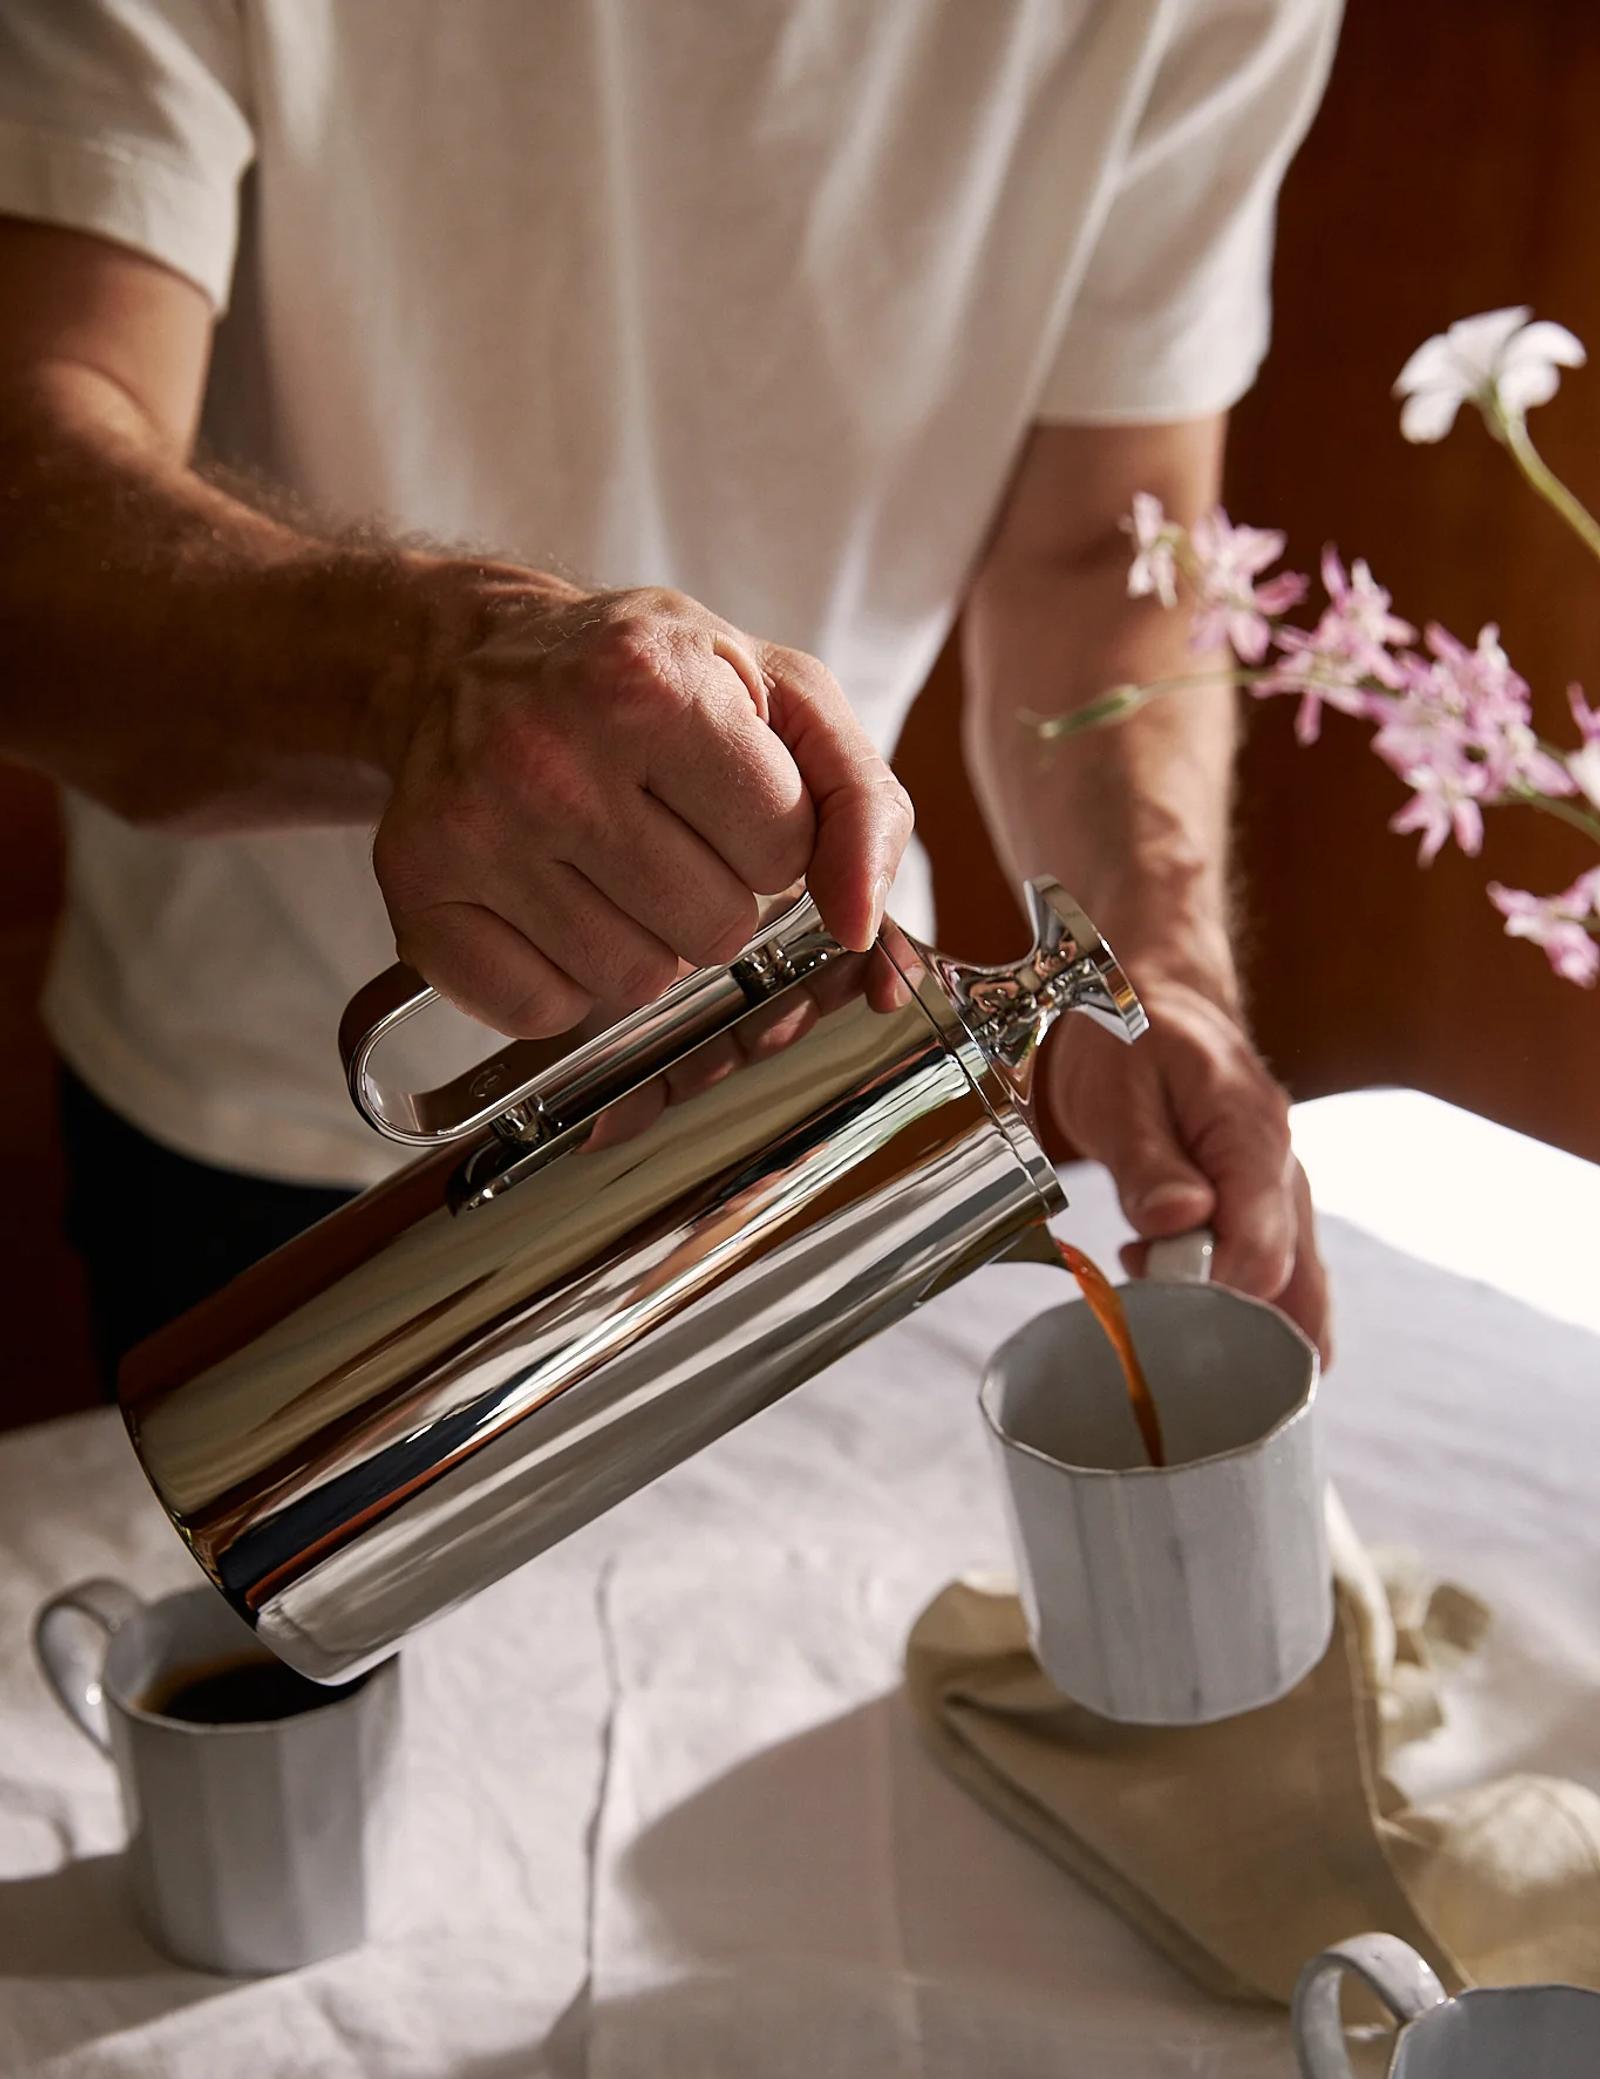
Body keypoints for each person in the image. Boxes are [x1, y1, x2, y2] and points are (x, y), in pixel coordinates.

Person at [0, 0, 1338, 1383]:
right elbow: (27, 510)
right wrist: (426, 674)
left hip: (817, 1098)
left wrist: (1157, 963)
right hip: (278, 1135)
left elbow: (1102, 552)